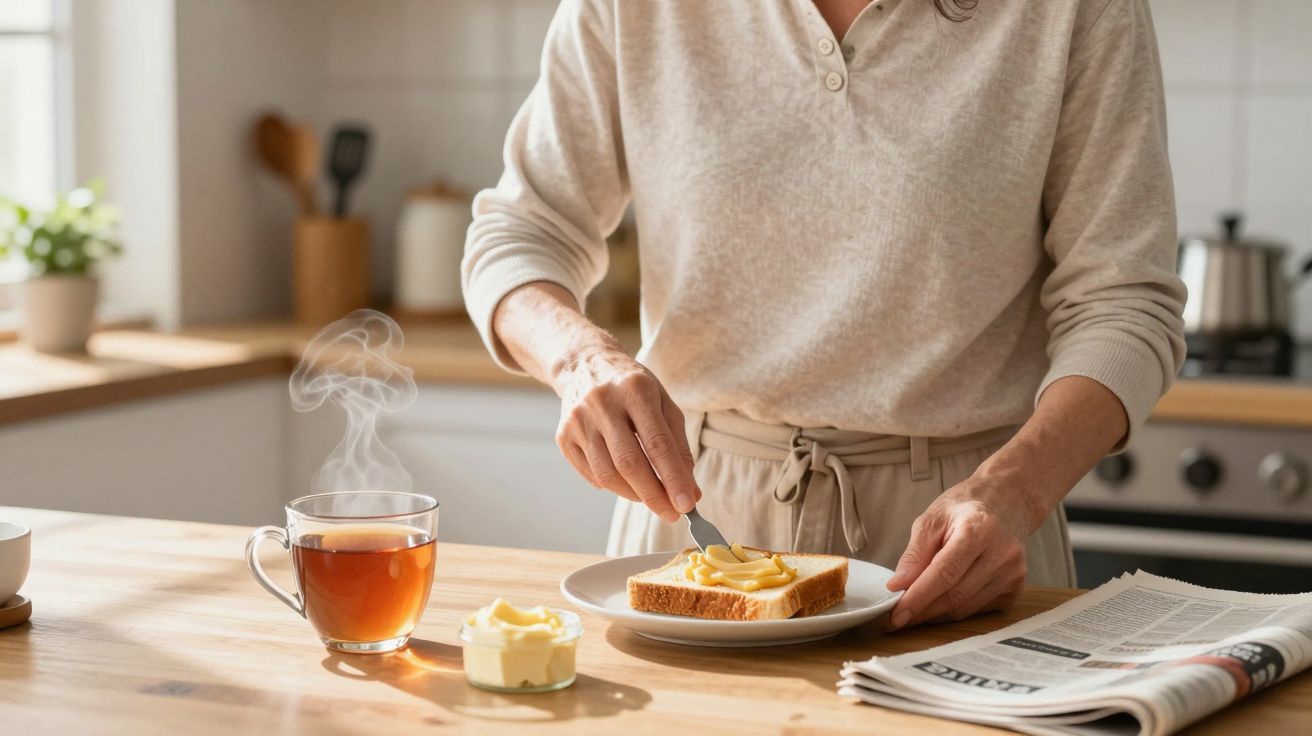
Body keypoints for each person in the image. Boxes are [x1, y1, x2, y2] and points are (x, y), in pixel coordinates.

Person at [461, 0, 1184, 630]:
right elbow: (520, 234)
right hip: (695, 518)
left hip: (960, 544)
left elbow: (1125, 302)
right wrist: (578, 359)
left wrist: (1015, 492)